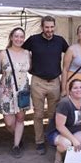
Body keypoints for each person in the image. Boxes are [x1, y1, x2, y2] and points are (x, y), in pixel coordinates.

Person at [23, 15, 69, 155]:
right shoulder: (33, 40)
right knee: (38, 114)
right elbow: (20, 50)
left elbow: (71, 53)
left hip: (55, 81)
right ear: (42, 27)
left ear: (54, 27)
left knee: (54, 114)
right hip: (38, 81)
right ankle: (39, 142)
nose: (49, 30)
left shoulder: (60, 41)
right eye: (46, 27)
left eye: (51, 27)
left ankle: (53, 138)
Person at [0, 27, 31, 158]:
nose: (19, 39)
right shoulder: (3, 54)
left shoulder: (27, 53)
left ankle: (16, 145)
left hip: (22, 90)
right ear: (11, 37)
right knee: (9, 122)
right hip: (6, 91)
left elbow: (30, 69)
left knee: (20, 118)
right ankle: (17, 135)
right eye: (16, 36)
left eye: (21, 37)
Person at [46, 79, 81, 163]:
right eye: (75, 88)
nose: (79, 90)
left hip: (74, 130)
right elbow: (60, 126)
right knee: (67, 144)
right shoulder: (64, 103)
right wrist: (74, 140)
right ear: (70, 91)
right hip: (57, 132)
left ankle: (74, 158)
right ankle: (59, 152)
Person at [61, 25, 81, 97]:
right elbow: (65, 70)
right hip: (72, 79)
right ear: (78, 35)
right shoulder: (71, 49)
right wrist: (63, 89)